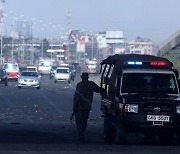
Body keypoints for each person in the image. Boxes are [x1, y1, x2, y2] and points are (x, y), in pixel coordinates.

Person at [73, 72, 105, 141]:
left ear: (82, 78)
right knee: (84, 121)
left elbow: (76, 97)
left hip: (79, 106)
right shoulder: (91, 84)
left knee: (79, 122)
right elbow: (98, 90)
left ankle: (80, 135)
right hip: (87, 106)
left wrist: (75, 107)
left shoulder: (79, 85)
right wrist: (104, 90)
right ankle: (82, 135)